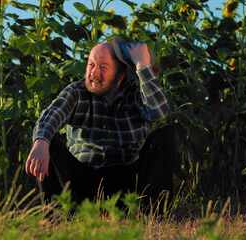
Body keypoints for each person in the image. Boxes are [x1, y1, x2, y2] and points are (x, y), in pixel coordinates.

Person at [25, 38, 174, 205]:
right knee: (47, 141)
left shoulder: (135, 95)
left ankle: (151, 213)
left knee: (165, 136)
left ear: (121, 74)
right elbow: (53, 113)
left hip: (124, 182)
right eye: (91, 64)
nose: (94, 73)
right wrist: (41, 142)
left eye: (103, 67)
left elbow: (159, 112)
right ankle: (55, 216)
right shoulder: (77, 92)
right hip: (80, 182)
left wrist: (143, 67)